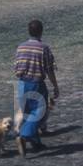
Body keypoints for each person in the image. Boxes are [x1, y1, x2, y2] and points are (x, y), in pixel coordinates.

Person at [13, 19, 60, 156]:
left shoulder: (20, 47)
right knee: (39, 113)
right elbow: (49, 69)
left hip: (21, 83)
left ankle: (36, 144)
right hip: (36, 84)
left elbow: (16, 66)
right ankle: (23, 136)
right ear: (41, 31)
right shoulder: (43, 48)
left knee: (27, 113)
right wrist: (55, 86)